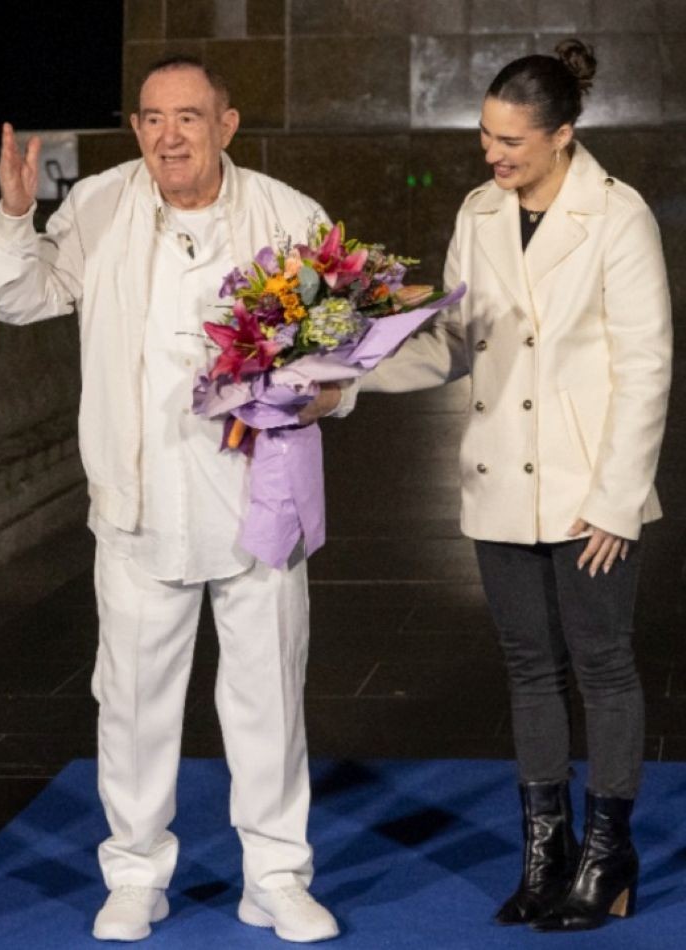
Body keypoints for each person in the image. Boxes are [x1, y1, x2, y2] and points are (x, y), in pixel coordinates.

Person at [0, 56, 343, 943]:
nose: (167, 137)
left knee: (268, 697)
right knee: (133, 702)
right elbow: (17, 297)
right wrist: (16, 217)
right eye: (150, 118)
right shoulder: (99, 203)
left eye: (187, 117)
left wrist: (315, 393)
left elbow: (337, 353)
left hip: (257, 500)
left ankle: (275, 877)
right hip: (137, 501)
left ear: (226, 123)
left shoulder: (289, 217)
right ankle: (136, 874)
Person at [355, 39, 670, 932]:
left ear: (561, 135)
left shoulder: (618, 216)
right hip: (499, 476)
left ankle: (606, 856)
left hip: (586, 490)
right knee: (529, 668)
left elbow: (645, 366)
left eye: (510, 141)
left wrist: (615, 500)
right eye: (485, 136)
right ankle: (545, 855)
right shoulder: (477, 212)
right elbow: (456, 344)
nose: (491, 154)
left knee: (602, 665)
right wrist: (346, 380)